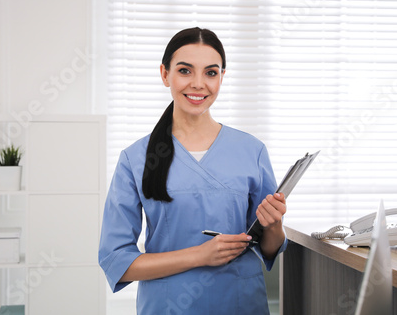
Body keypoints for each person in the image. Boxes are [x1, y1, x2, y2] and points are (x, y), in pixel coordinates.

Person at [98, 27, 288, 315]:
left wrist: (275, 226)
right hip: (167, 306)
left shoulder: (252, 150)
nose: (198, 84)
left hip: (240, 303)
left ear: (222, 77)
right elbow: (117, 261)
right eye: (185, 71)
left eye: (211, 73)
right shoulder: (135, 159)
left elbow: (268, 248)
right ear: (165, 75)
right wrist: (200, 255)